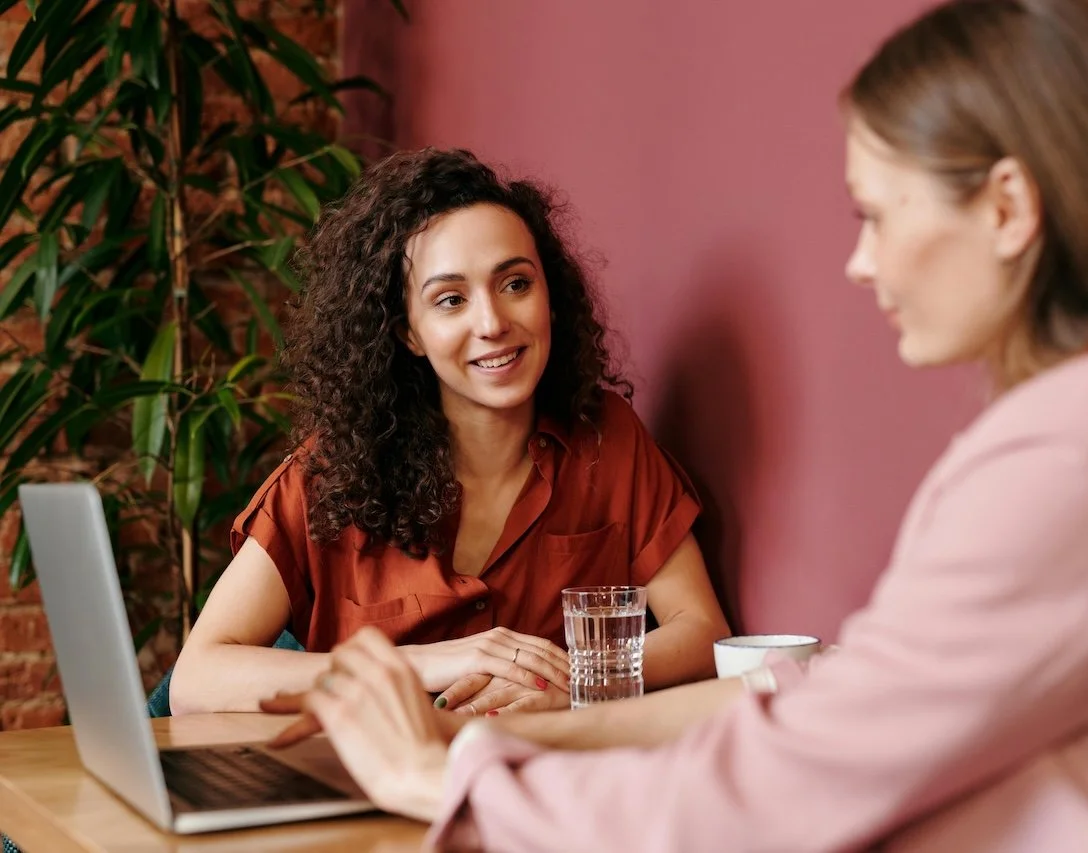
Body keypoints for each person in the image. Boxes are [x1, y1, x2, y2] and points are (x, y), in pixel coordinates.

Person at [261, 1, 1088, 849]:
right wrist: (539, 738)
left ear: (1007, 207)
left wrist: (451, 782)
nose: (861, 263)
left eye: (875, 214)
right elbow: (822, 708)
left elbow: (789, 782)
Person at [169, 149, 731, 716]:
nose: (491, 323)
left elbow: (703, 630)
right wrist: (431, 661)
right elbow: (197, 679)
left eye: (515, 284)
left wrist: (567, 683)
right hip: (366, 791)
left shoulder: (606, 439)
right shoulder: (331, 473)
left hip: (532, 785)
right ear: (408, 333)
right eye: (451, 299)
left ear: (550, 299)